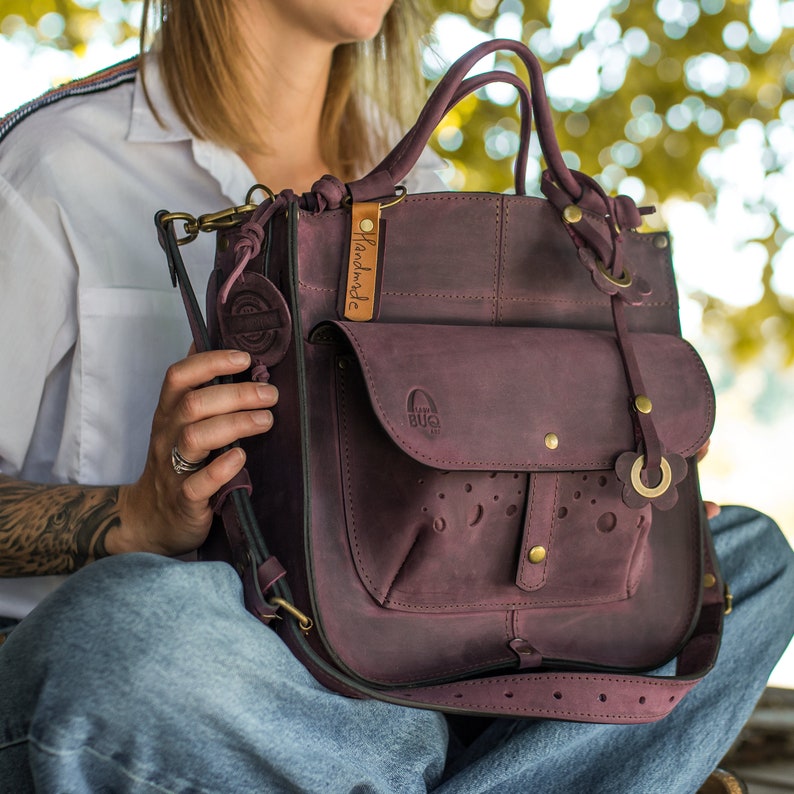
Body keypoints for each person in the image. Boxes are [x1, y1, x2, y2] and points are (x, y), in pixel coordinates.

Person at [0, 1, 792, 791]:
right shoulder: (52, 163)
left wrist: (607, 502)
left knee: (743, 566)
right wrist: (133, 518)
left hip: (410, 652)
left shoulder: (426, 181)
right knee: (126, 629)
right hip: (209, 665)